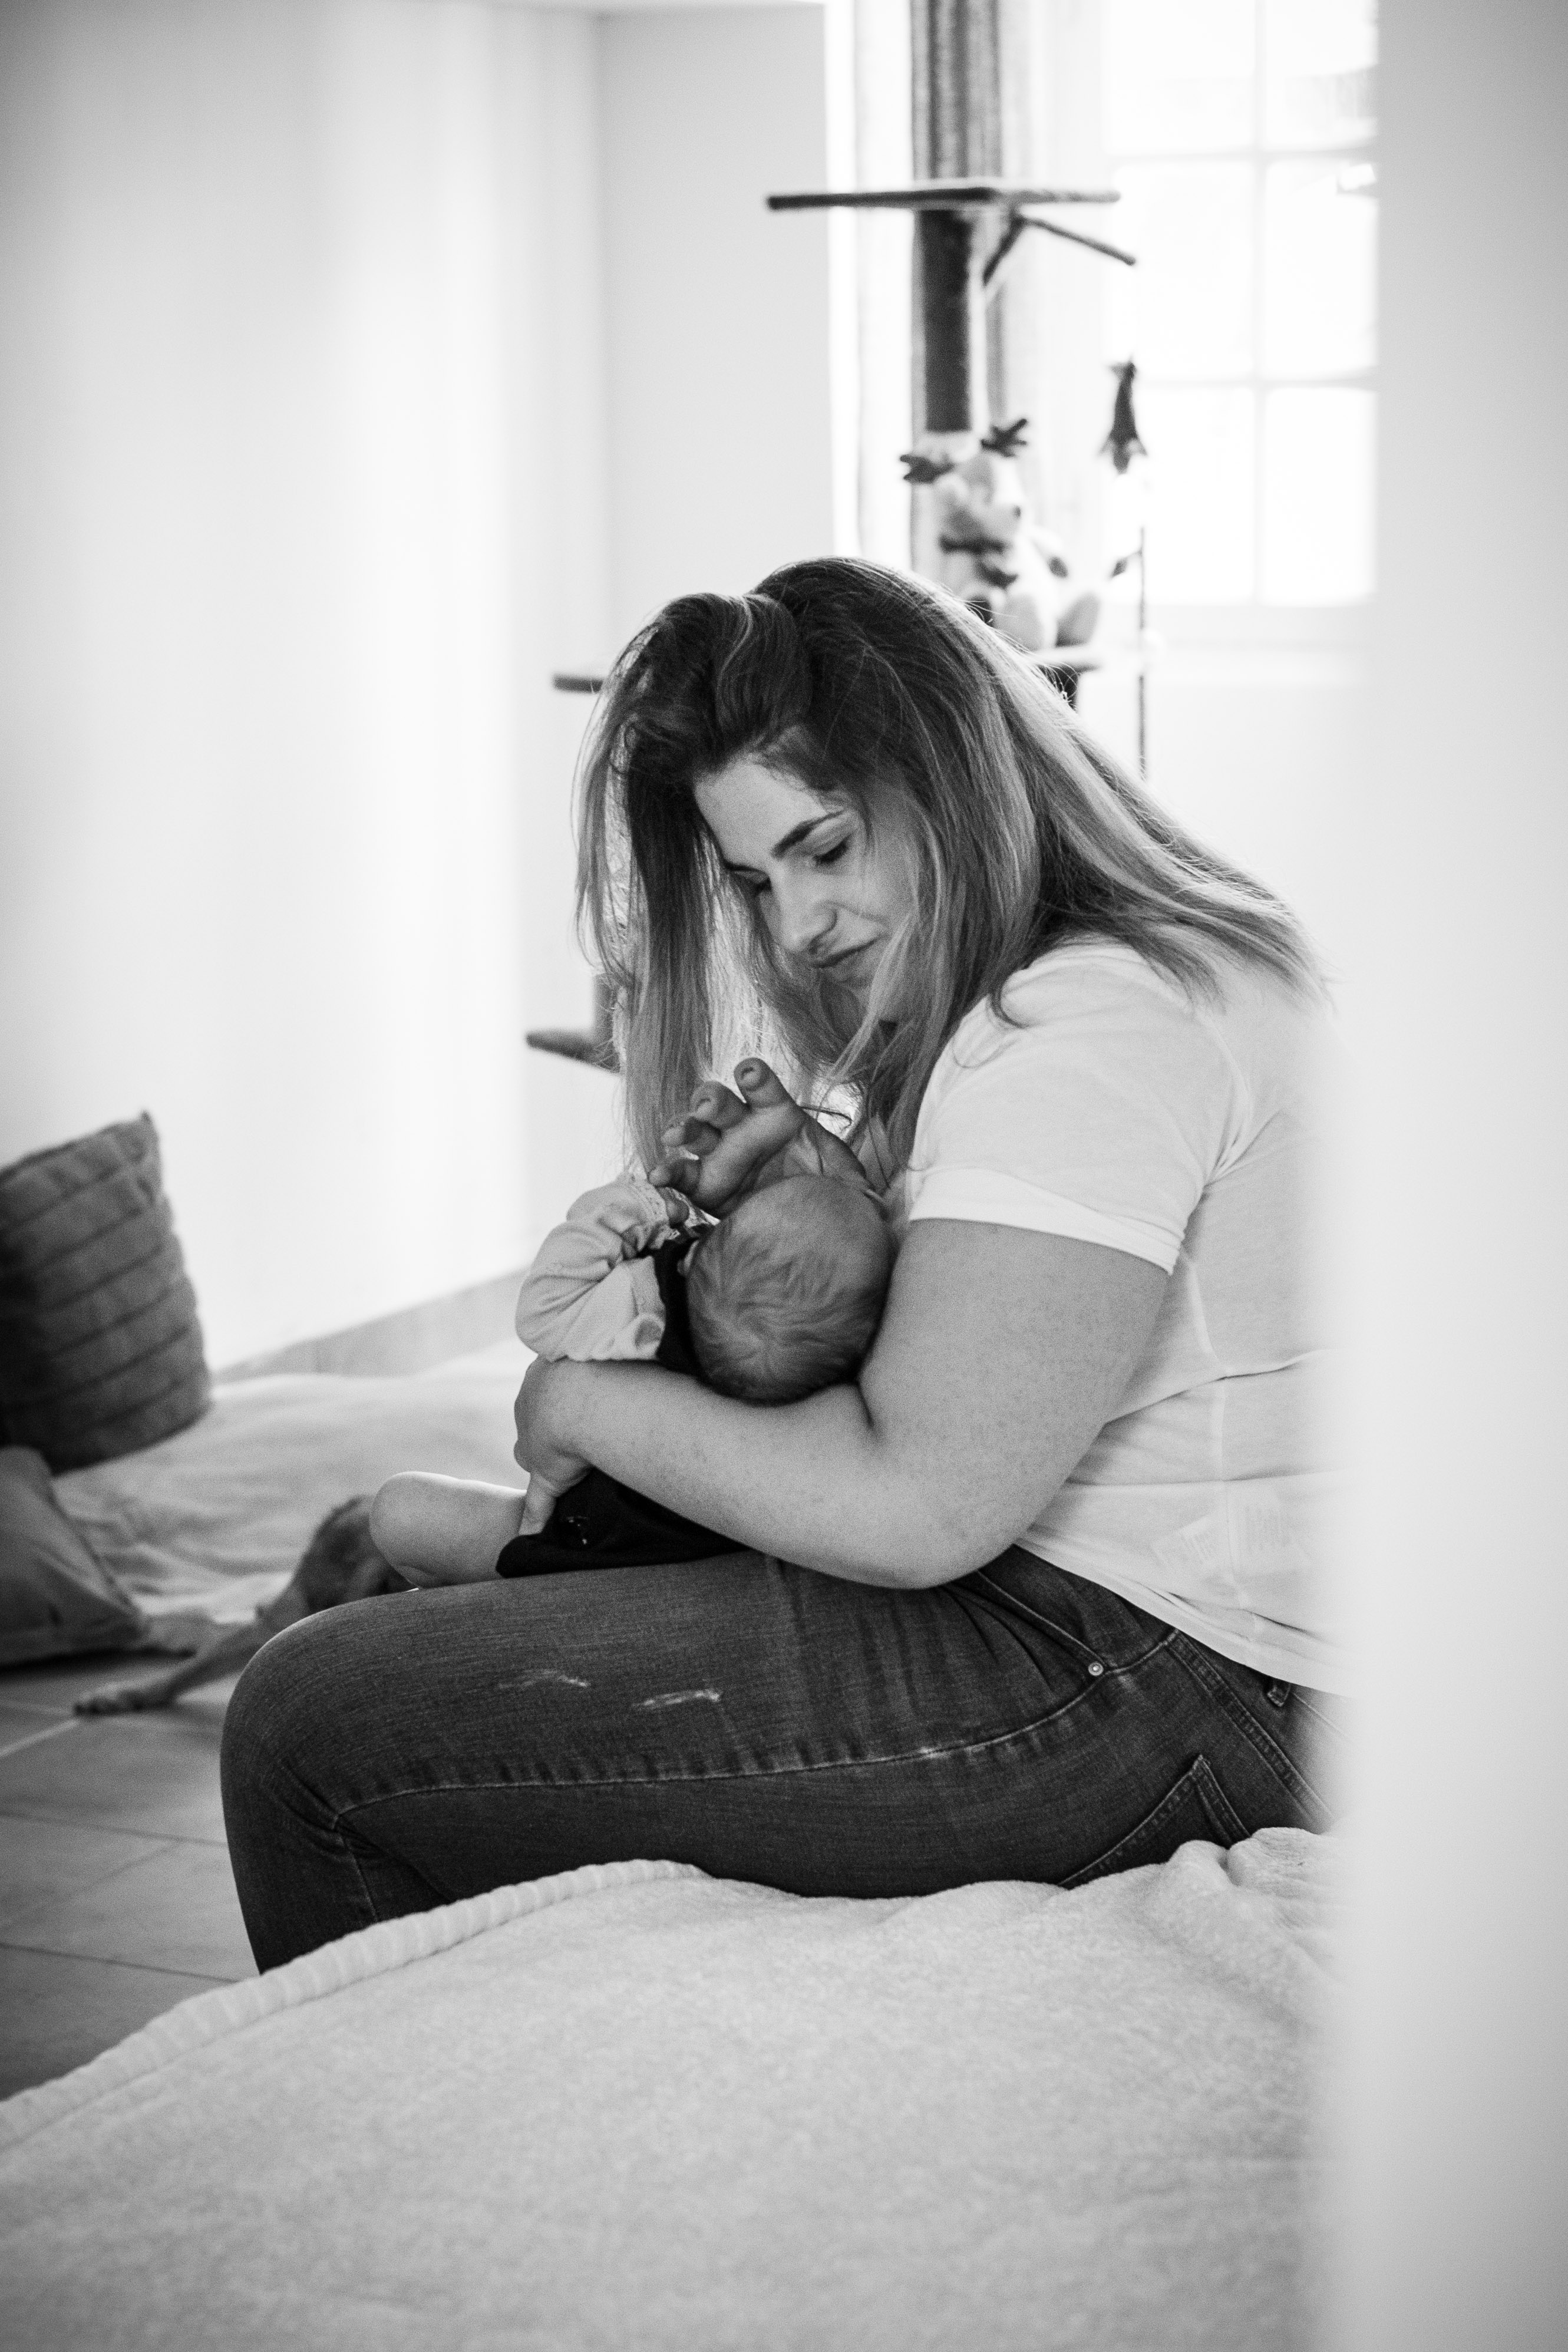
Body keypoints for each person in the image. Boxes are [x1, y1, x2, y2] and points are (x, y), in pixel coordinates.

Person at [222, 556, 1350, 1974]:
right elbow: (972, 1369)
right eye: (758, 880)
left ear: (956, 774)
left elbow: (918, 1504)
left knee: (313, 1724)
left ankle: (415, 2146)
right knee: (443, 1613)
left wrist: (577, 1405)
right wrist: (823, 1189)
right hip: (1179, 1640)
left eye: (823, 846)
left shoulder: (1095, 1028)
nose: (799, 924)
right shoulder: (1122, 975)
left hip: (1170, 1674)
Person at [368, 1137, 893, 1584]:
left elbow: (542, 1311)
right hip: (708, 1565)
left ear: (695, 1253)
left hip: (568, 1539)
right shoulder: (832, 1389)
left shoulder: (648, 1309)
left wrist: (642, 1205)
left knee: (398, 1510)